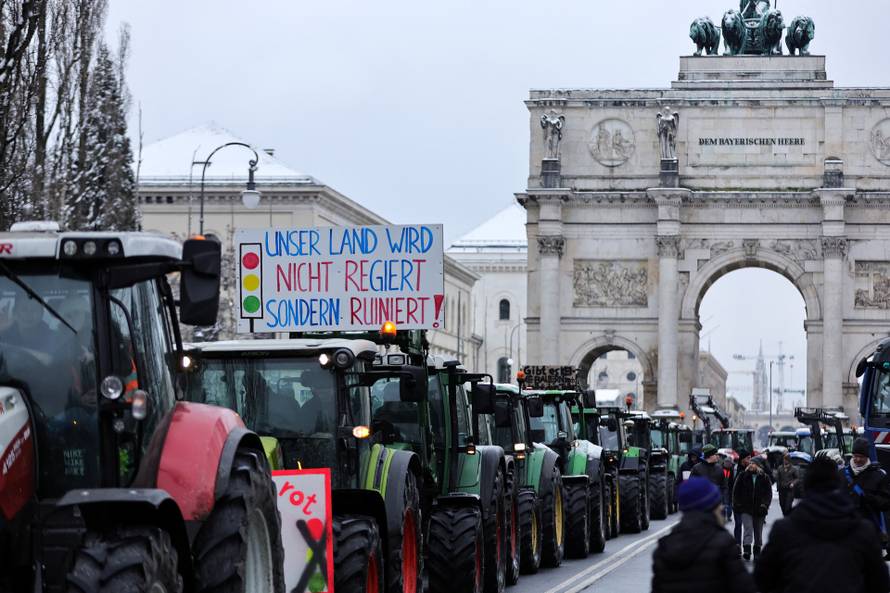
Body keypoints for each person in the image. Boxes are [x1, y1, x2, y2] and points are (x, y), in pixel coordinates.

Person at [754, 456, 890, 593]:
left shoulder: (784, 531)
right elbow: (880, 583)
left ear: (806, 487)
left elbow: (762, 580)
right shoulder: (863, 532)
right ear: (838, 486)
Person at [651, 477, 755, 593]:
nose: (721, 507)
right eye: (718, 504)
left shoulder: (664, 547)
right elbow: (744, 587)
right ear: (711, 507)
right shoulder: (724, 543)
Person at [844, 437, 890, 554]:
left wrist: (871, 499)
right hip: (846, 531)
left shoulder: (879, 476)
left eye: (862, 457)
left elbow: (886, 503)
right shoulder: (842, 475)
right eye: (855, 456)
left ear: (867, 457)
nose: (858, 459)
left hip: (870, 533)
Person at [732, 456, 772, 560]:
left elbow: (768, 493)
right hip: (746, 508)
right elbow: (736, 491)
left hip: (760, 509)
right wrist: (737, 504)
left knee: (758, 531)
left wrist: (764, 505)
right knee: (748, 528)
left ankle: (757, 551)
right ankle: (747, 550)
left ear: (758, 466)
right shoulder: (743, 476)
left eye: (753, 463)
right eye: (750, 463)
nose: (751, 465)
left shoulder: (764, 477)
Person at [731, 449, 751, 553]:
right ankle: (737, 545)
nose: (750, 460)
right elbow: (731, 484)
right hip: (737, 502)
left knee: (747, 526)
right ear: (743, 459)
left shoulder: (751, 469)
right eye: (748, 458)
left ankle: (747, 547)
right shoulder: (735, 470)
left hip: (747, 503)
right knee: (738, 524)